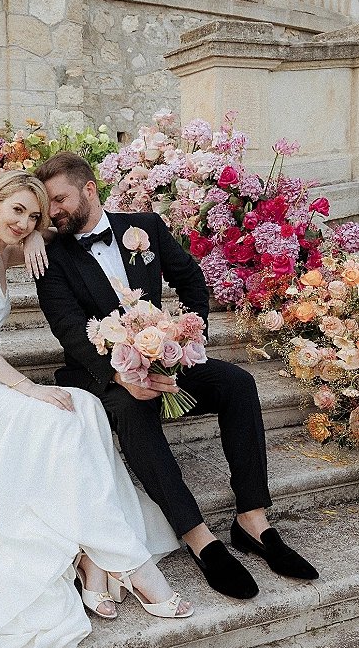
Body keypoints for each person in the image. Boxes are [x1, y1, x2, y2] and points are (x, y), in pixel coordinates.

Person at [0, 170, 193, 648]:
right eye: (16, 210)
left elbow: (62, 240)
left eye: (33, 215)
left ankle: (93, 563)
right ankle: (128, 563)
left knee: (82, 406)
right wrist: (29, 388)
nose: (24, 223)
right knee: (51, 417)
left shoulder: (4, 247)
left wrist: (38, 230)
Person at [33, 152, 319, 600]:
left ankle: (252, 520)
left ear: (90, 189)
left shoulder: (144, 226)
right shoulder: (51, 256)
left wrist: (186, 335)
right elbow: (70, 330)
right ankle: (199, 538)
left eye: (60, 199)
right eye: (48, 205)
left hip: (165, 356)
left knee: (237, 384)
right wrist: (121, 375)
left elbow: (191, 280)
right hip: (101, 373)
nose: (54, 212)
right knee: (134, 404)